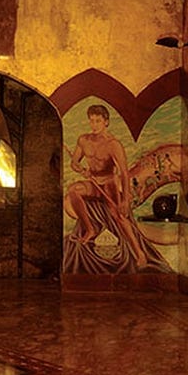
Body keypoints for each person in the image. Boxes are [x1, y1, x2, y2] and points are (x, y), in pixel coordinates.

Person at [64, 104, 149, 267]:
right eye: (91, 121)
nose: (94, 125)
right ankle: (90, 229)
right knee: (73, 190)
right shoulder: (83, 140)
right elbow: (74, 162)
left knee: (119, 216)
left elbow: (124, 173)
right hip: (93, 183)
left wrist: (125, 200)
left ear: (106, 122)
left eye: (98, 121)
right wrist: (81, 169)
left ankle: (139, 254)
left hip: (109, 183)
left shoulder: (113, 144)